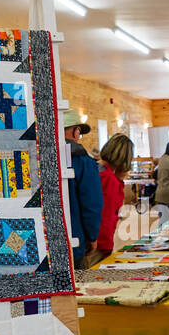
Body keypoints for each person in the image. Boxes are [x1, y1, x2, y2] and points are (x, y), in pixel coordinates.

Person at [62, 109, 102, 269]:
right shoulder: (84, 162)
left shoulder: (36, 158)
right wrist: (92, 236)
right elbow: (92, 204)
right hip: (75, 240)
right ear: (75, 131)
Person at [96, 132, 134, 260]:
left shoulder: (96, 168)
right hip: (99, 244)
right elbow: (108, 215)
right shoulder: (109, 179)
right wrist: (107, 246)